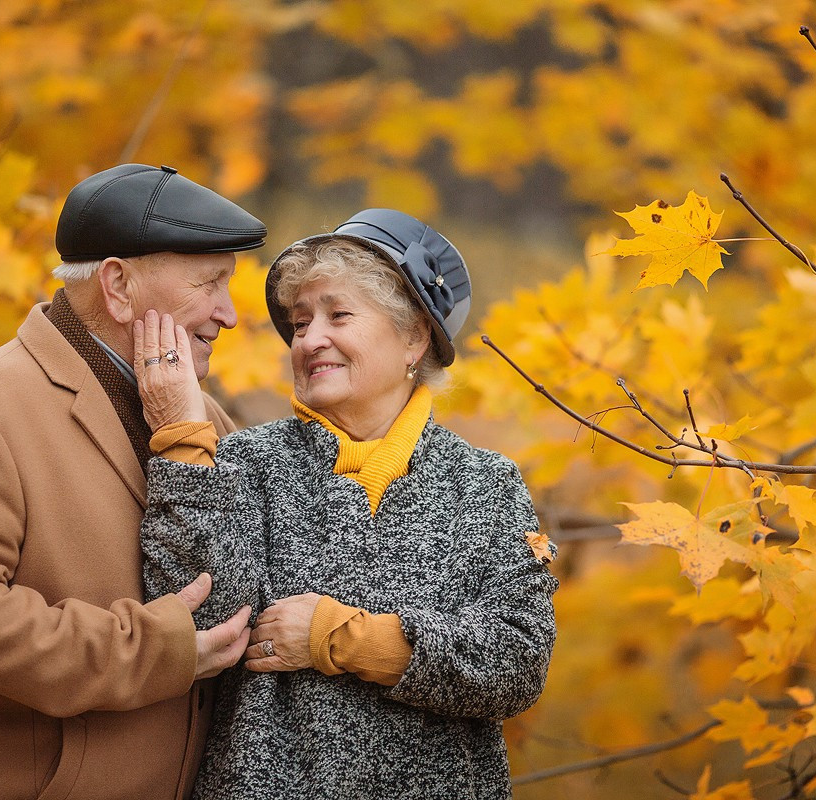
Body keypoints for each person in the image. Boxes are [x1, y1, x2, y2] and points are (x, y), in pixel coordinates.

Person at [0, 164, 264, 800]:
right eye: (210, 283)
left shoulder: (198, 416)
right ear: (118, 285)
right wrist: (151, 651)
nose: (230, 314)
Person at [136, 209, 558, 799]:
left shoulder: (483, 483)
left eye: (339, 315)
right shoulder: (243, 462)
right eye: (301, 321)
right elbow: (198, 625)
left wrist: (346, 638)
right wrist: (182, 436)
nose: (310, 339)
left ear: (414, 336)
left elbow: (516, 665)